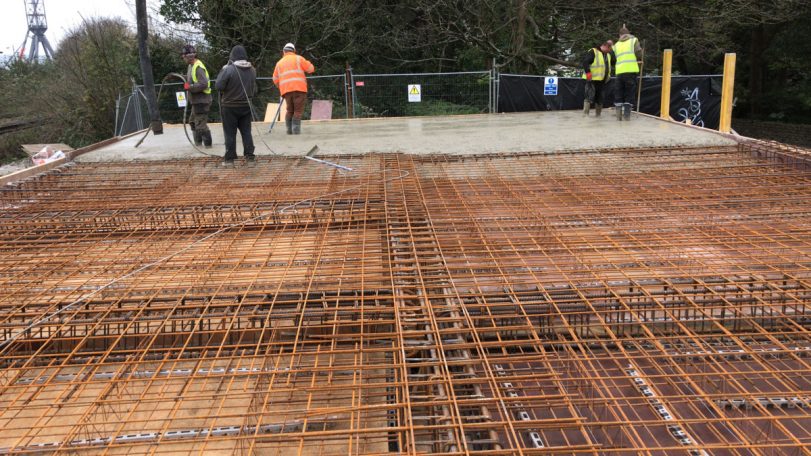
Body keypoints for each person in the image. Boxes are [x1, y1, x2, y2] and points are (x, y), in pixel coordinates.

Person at [215, 45, 257, 167]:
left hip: (230, 106)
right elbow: (254, 89)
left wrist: (223, 70)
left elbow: (218, 86)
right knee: (246, 132)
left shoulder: (229, 69)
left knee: (230, 133)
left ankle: (229, 160)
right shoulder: (252, 70)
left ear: (232, 56)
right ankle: (250, 158)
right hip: (246, 105)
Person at [272, 43, 315, 135]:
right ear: (294, 51)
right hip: (299, 89)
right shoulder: (299, 59)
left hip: (286, 91)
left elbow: (275, 79)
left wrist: (281, 87)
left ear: (284, 51)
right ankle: (296, 131)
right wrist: (308, 62)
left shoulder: (279, 63)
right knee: (298, 110)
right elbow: (311, 69)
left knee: (289, 110)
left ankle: (289, 130)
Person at [181, 44, 212, 147]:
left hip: (202, 101)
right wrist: (180, 77)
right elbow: (191, 79)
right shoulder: (191, 66)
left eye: (184, 56)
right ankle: (198, 145)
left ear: (189, 56)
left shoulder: (198, 67)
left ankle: (208, 147)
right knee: (193, 122)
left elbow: (203, 84)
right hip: (196, 101)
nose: (183, 58)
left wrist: (189, 87)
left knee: (201, 126)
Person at [613, 25, 643, 121]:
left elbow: (617, 57)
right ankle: (626, 117)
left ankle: (618, 117)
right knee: (629, 92)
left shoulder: (616, 45)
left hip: (619, 72)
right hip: (630, 70)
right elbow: (639, 53)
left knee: (619, 92)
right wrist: (639, 58)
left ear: (620, 35)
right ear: (628, 34)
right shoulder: (633, 40)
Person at [581, 40, 614, 117]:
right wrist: (588, 72)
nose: (610, 51)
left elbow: (611, 64)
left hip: (602, 80)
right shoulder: (593, 51)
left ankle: (598, 115)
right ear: (606, 46)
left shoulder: (608, 55)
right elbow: (585, 62)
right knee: (589, 97)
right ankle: (585, 115)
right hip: (592, 79)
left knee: (600, 98)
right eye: (609, 49)